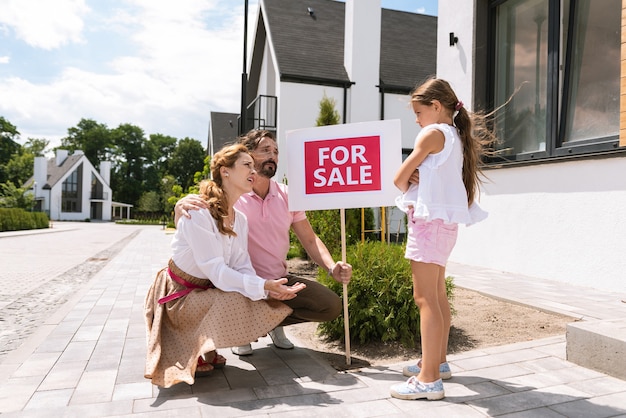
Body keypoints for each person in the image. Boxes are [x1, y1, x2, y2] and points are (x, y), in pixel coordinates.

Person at [175, 129, 352, 356]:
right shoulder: (232, 195)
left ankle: (272, 323)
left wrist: (330, 266)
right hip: (235, 284)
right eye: (265, 150)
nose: (273, 156)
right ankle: (243, 332)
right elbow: (195, 222)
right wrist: (178, 209)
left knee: (329, 305)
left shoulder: (288, 195)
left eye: (276, 152)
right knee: (237, 291)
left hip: (277, 279)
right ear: (246, 156)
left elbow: (309, 238)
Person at [144, 144, 306, 388]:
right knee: (231, 298)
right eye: (246, 165)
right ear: (225, 171)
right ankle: (193, 348)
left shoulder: (239, 218)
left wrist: (266, 290)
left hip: (206, 287)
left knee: (248, 298)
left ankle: (206, 344)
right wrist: (261, 285)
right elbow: (217, 272)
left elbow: (242, 265)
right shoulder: (199, 212)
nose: (254, 171)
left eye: (254, 166)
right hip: (179, 294)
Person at [389, 78, 495, 401]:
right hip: (443, 226)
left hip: (428, 226)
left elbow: (397, 178)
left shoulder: (433, 134)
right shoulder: (454, 136)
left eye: (419, 113)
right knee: (436, 296)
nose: (417, 121)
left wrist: (411, 174)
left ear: (436, 107)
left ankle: (429, 378)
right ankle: (438, 362)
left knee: (425, 300)